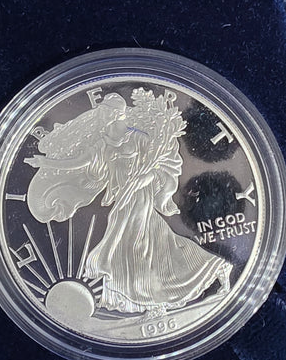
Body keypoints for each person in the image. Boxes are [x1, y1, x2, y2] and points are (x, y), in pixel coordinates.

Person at [25, 89, 232, 316]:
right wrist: (46, 162)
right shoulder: (103, 144)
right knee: (152, 243)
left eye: (107, 113)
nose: (104, 117)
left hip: (139, 196)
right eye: (104, 114)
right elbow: (78, 162)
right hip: (123, 198)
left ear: (116, 114)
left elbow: (160, 165)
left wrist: (146, 176)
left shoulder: (139, 138)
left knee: (133, 244)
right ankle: (195, 278)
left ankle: (156, 299)